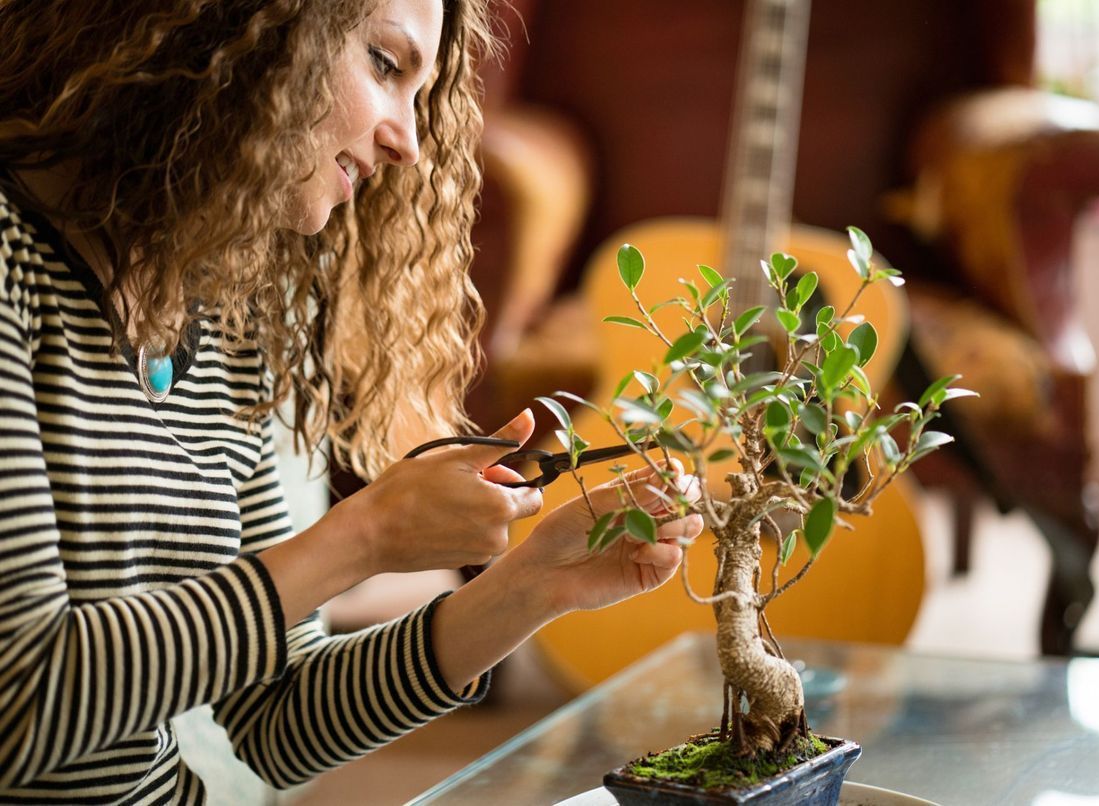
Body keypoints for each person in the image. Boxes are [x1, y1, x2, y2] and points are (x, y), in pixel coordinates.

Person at [0, 0, 704, 801]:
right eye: (384, 63)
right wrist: (361, 539)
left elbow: (275, 719)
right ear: (245, 30)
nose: (407, 141)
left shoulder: (217, 302)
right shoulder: (11, 267)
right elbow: (20, 709)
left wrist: (528, 588)